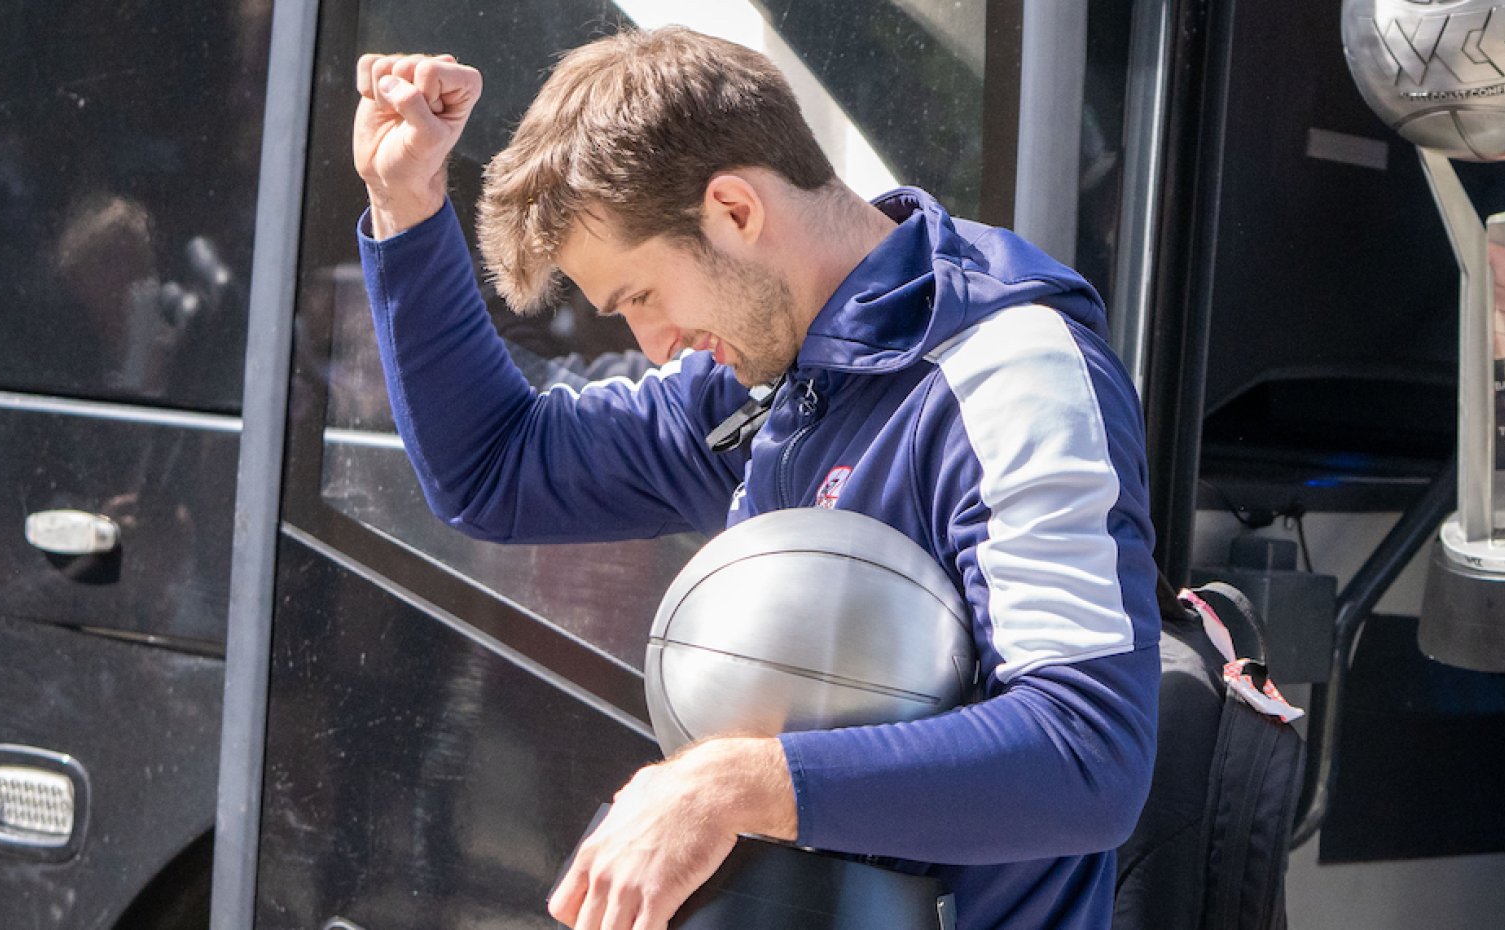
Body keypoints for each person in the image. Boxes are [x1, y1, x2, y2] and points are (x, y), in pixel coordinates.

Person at [352, 27, 1160, 930]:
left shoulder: (1011, 375)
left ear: (734, 210)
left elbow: (1088, 752)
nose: (649, 347)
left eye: (641, 298)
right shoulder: (765, 382)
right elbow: (495, 468)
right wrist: (406, 204)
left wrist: (733, 785)